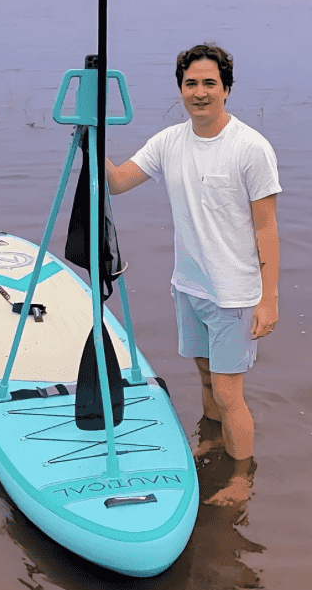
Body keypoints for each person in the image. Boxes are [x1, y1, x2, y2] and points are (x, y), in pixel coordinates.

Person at [106, 44, 280, 505]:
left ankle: (241, 477)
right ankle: (214, 442)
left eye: (209, 83)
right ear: (180, 88)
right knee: (204, 378)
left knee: (228, 391)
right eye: (191, 84)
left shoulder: (251, 147)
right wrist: (91, 139)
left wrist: (269, 299)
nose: (199, 93)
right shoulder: (169, 142)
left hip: (233, 294)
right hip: (189, 286)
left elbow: (267, 227)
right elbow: (119, 181)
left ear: (226, 88)